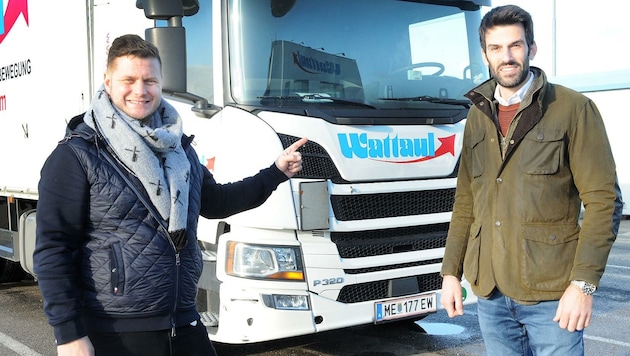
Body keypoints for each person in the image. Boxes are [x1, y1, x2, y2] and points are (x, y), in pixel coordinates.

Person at [33, 34, 307, 356]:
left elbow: (217, 202)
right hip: (117, 331)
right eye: (129, 80)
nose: (140, 90)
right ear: (108, 83)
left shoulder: (179, 151)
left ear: (161, 83)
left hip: (184, 321)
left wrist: (275, 172)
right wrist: (68, 335)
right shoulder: (78, 155)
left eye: (150, 80)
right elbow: (53, 249)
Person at [439, 5, 621, 356]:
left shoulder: (572, 108)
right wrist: (451, 272)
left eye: (515, 46)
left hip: (551, 295)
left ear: (531, 49)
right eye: (496, 48)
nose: (506, 57)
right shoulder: (477, 116)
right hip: (490, 294)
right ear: (484, 54)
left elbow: (604, 202)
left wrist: (583, 285)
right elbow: (466, 202)